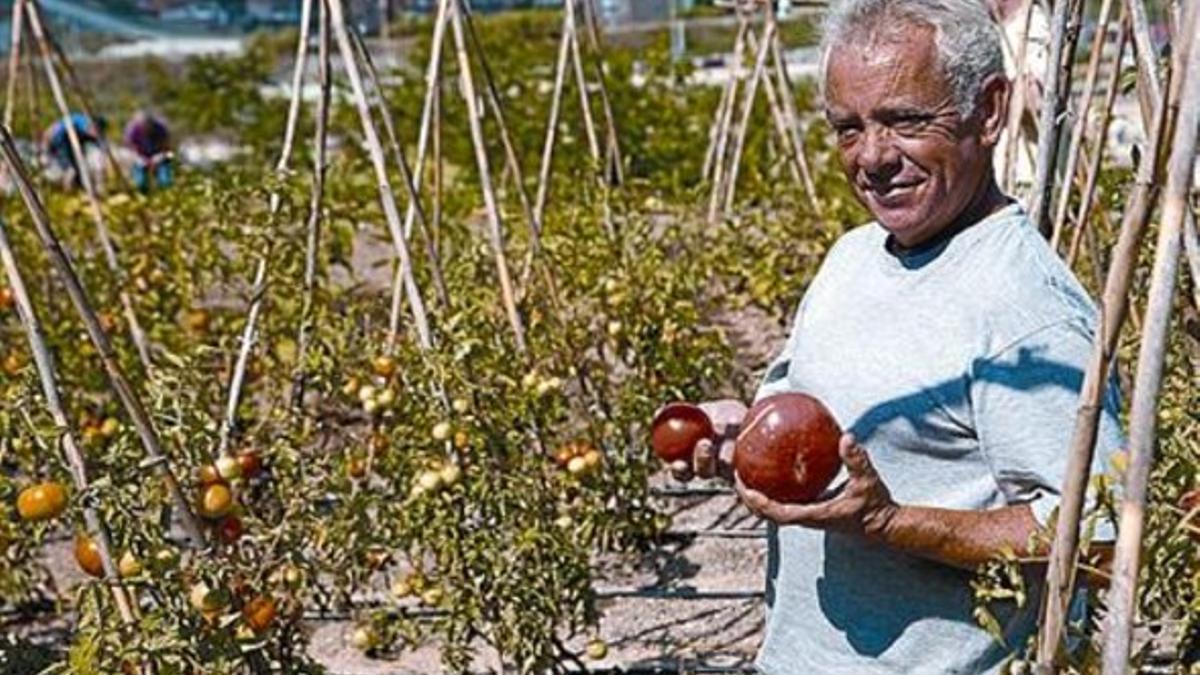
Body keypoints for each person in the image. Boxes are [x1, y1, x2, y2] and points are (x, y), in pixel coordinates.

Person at [668, 0, 1124, 672]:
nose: (874, 156)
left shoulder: (1025, 311)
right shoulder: (852, 256)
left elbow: (1100, 542)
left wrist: (889, 521)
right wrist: (736, 426)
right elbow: (805, 403)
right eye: (848, 129)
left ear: (990, 110)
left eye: (906, 120)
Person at [41, 112, 106, 190]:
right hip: (60, 141)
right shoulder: (72, 125)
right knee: (70, 169)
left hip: (71, 141)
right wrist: (45, 151)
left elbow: (99, 143)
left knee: (79, 167)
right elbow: (50, 133)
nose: (97, 134)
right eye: (96, 131)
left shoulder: (88, 131)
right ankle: (68, 188)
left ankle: (80, 187)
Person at [123, 111, 174, 193]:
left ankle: (166, 193)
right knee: (140, 183)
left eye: (148, 125)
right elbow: (129, 147)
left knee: (165, 181)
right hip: (140, 157)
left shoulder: (160, 128)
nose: (146, 128)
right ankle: (143, 193)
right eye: (143, 126)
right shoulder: (132, 130)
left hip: (158, 154)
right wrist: (140, 159)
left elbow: (167, 145)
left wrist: (159, 157)